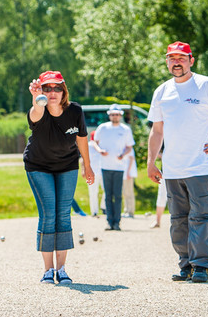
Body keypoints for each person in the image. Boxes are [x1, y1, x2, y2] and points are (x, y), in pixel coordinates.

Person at [147, 41, 208, 283]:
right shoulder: (162, 91)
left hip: (199, 166)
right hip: (172, 168)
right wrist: (151, 162)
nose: (176, 62)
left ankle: (201, 265)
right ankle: (185, 263)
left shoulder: (206, 85)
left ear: (191, 60)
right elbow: (157, 131)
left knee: (202, 217)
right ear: (167, 61)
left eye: (181, 58)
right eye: (171, 58)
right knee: (178, 220)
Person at [23, 70, 94, 285]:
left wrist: (87, 166)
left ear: (64, 91)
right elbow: (35, 113)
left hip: (68, 165)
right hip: (38, 166)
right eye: (47, 88)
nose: (52, 92)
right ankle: (47, 270)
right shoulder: (39, 110)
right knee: (48, 213)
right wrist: (36, 99)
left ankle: (62, 269)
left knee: (63, 214)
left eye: (57, 88)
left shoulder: (75, 111)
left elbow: (82, 137)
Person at [94, 104, 135, 231]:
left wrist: (122, 154)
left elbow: (129, 146)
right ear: (109, 115)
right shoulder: (103, 128)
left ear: (120, 115)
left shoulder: (125, 129)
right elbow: (95, 142)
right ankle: (109, 221)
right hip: (105, 166)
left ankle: (117, 222)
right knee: (107, 194)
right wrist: (100, 150)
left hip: (119, 167)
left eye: (117, 114)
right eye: (112, 114)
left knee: (117, 195)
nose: (115, 116)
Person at [87, 131, 104, 217]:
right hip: (92, 171)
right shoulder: (89, 145)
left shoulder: (103, 144)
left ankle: (103, 206)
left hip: (103, 171)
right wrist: (84, 170)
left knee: (107, 190)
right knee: (93, 192)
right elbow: (84, 158)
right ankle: (94, 211)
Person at [121, 149, 137, 218]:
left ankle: (130, 212)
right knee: (125, 193)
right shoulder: (124, 148)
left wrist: (128, 172)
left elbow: (131, 159)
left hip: (128, 174)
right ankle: (126, 210)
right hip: (124, 174)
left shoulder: (129, 149)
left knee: (129, 193)